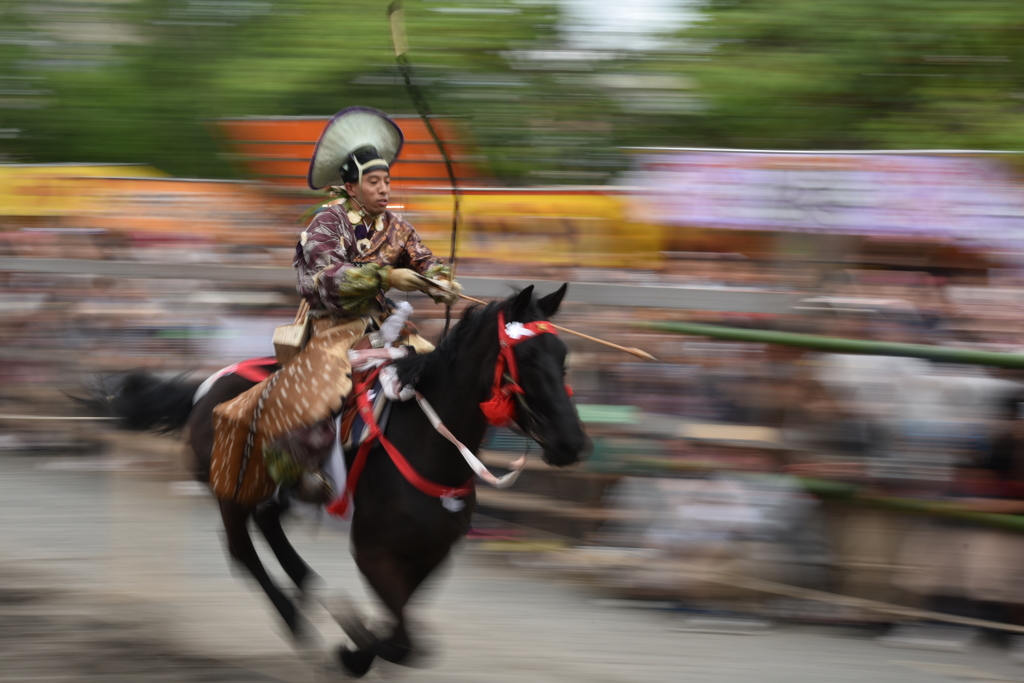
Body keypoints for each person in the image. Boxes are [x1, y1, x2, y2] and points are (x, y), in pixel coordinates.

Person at [210, 107, 461, 504]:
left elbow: (424, 259)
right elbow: (326, 278)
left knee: (442, 370)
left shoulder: (397, 227)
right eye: (373, 181)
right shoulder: (326, 222)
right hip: (333, 325)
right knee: (326, 385)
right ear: (351, 186)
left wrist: (441, 279)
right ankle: (296, 462)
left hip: (384, 323)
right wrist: (386, 277)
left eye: (387, 180)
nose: (384, 189)